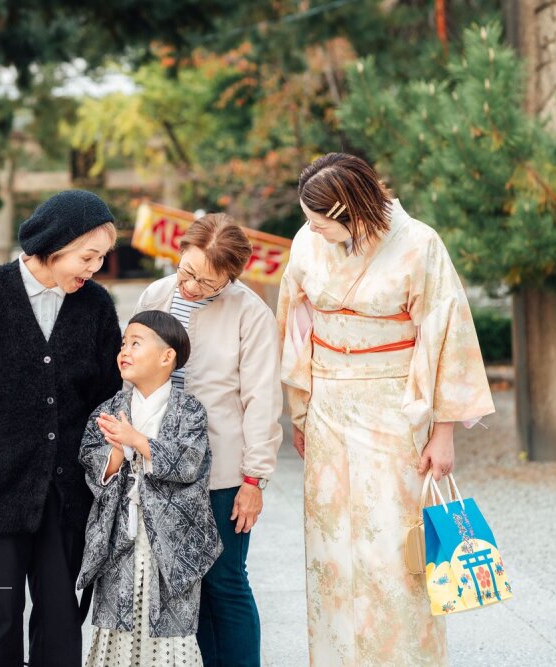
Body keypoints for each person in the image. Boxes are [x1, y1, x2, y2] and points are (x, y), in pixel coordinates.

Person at [277, 152, 495, 665]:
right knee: (330, 546)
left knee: (395, 548)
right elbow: (295, 326)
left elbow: (448, 335)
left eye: (319, 222)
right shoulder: (308, 241)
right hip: (328, 405)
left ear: (349, 211)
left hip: (393, 405)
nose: (311, 231)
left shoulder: (418, 243)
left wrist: (443, 433)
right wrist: (301, 411)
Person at [0, 190, 123, 667]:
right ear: (54, 245)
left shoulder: (96, 306)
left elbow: (108, 397)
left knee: (61, 620)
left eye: (102, 257)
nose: (94, 268)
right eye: (87, 257)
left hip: (67, 494)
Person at [131, 214, 282, 666]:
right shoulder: (156, 296)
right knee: (184, 583)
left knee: (225, 581)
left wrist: (254, 480)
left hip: (222, 472)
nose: (192, 287)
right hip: (161, 462)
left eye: (209, 282)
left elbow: (262, 400)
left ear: (231, 277)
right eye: (188, 272)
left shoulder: (250, 313)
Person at [78, 310, 223, 666]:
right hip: (121, 534)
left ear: (166, 356)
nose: (124, 351)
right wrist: (116, 451)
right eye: (123, 344)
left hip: (173, 541)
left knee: (171, 631)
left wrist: (137, 441)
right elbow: (91, 461)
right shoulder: (109, 409)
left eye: (136, 343)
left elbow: (190, 462)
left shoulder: (189, 411)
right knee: (117, 628)